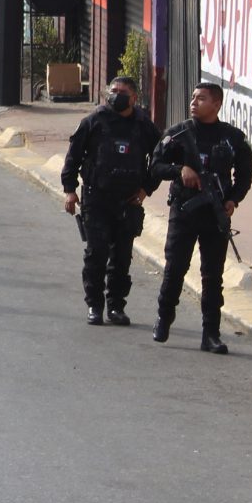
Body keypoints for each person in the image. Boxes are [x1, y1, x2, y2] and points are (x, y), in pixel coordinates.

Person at [150, 82, 252, 353]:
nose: (194, 102)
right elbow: (155, 166)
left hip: (214, 214)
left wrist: (233, 199)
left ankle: (211, 333)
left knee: (212, 276)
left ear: (217, 105)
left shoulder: (232, 138)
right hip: (185, 211)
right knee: (175, 269)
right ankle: (164, 318)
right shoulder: (177, 134)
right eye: (193, 97)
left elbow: (244, 174)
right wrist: (179, 170)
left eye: (202, 99)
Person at [61, 76, 160, 325]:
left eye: (122, 91)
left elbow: (159, 161)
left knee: (122, 257)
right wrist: (70, 190)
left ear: (134, 97)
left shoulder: (143, 125)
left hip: (128, 202)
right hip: (97, 199)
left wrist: (146, 188)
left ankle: (116, 306)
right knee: (97, 253)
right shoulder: (94, 121)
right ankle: (95, 305)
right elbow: (73, 156)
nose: (117, 95)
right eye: (113, 91)